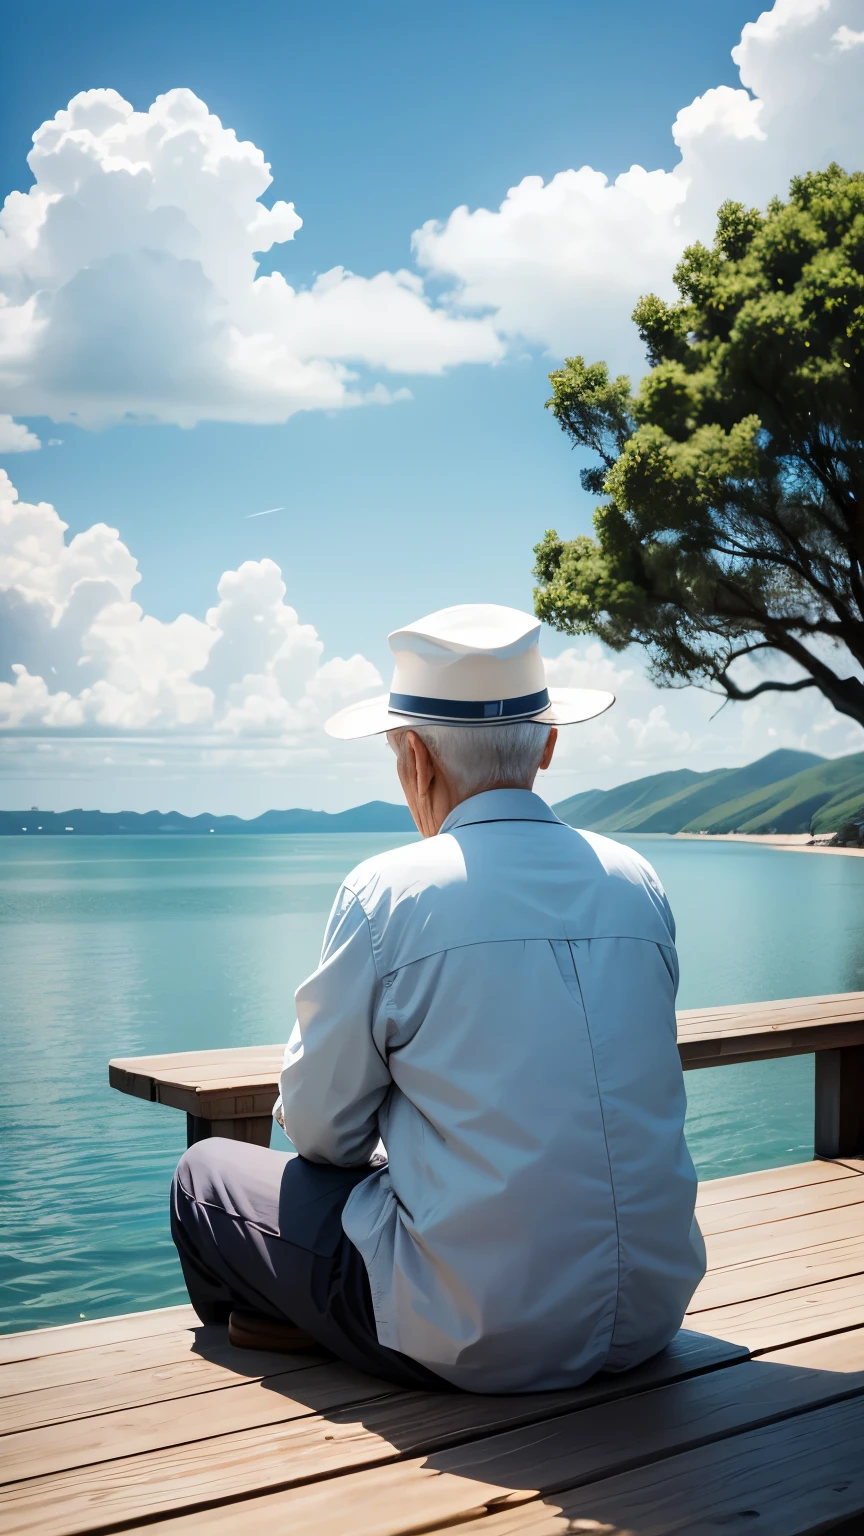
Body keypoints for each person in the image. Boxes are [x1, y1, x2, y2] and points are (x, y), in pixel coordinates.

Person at [171, 603, 706, 1393]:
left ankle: (298, 1323)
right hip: (652, 1317)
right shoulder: (638, 883)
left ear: (415, 759)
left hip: (478, 1337)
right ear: (549, 743)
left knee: (203, 1176)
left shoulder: (387, 892)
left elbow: (323, 1136)